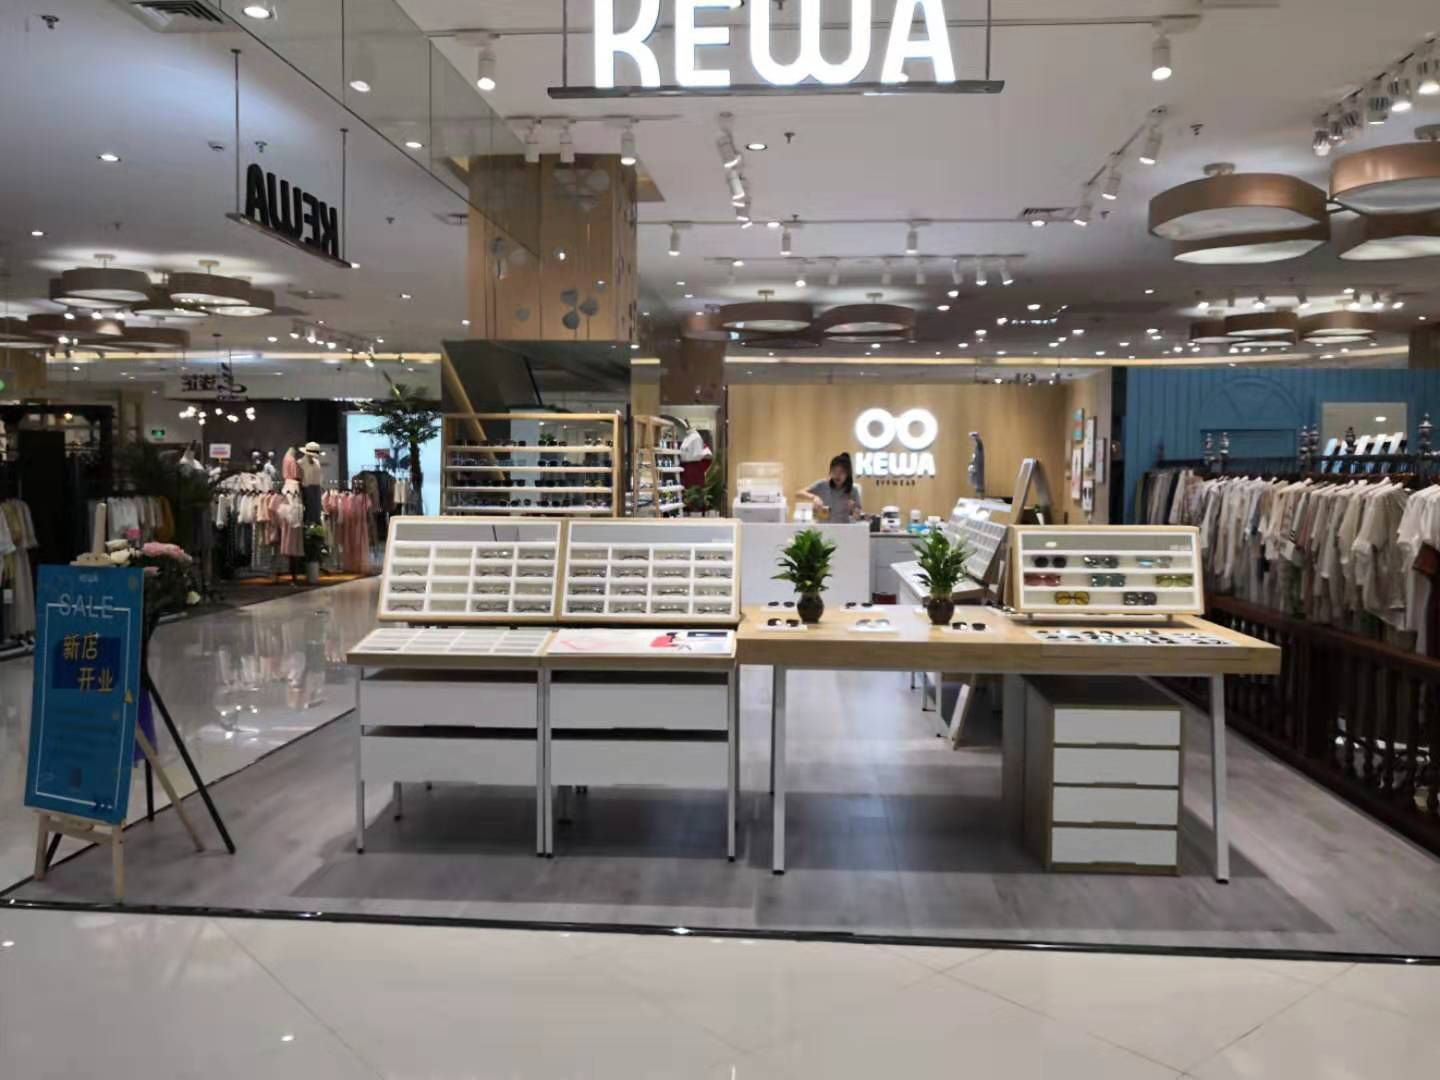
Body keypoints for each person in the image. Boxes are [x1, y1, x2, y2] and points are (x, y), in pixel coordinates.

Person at [799, 453, 863, 523]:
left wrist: (853, 509)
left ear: (847, 474)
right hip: (823, 527)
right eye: (834, 471)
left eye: (841, 472)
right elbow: (799, 493)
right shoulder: (822, 485)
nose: (837, 475)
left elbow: (857, 517)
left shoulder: (853, 490)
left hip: (842, 527)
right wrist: (814, 497)